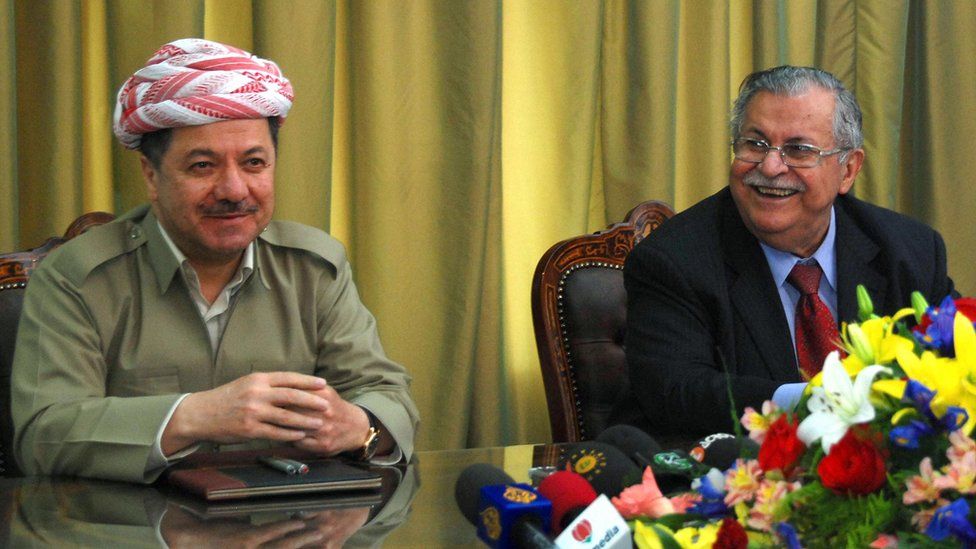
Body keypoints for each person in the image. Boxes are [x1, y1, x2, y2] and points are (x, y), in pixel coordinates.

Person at [11, 39, 419, 483]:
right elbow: (43, 438)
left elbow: (387, 397)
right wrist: (194, 416)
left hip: (289, 526)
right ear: (152, 175)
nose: (234, 190)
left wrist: (356, 427)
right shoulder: (79, 277)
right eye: (203, 166)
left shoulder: (314, 267)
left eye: (254, 163)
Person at [613, 66, 954, 438]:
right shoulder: (675, 260)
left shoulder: (911, 250)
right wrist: (814, 400)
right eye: (755, 144)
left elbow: (957, 362)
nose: (771, 167)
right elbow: (679, 392)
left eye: (798, 149)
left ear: (848, 170)